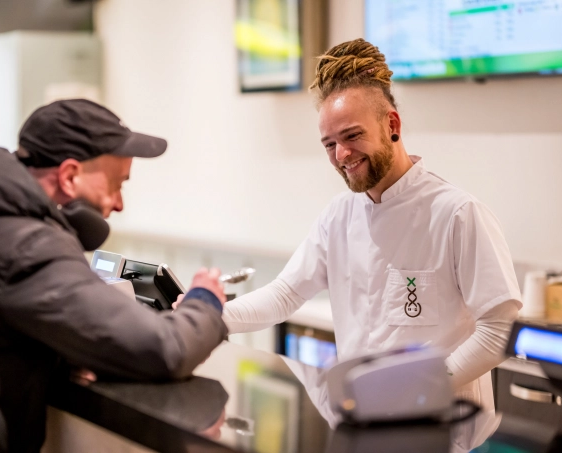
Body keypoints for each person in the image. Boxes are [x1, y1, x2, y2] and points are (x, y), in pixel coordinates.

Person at [0, 99, 228, 453]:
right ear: (70, 176)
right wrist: (205, 301)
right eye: (117, 184)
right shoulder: (27, 246)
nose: (119, 204)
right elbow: (165, 348)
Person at [221, 39, 522, 409]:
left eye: (352, 136)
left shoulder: (458, 213)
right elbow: (286, 294)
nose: (341, 155)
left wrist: (424, 387)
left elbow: (500, 328)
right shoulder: (338, 216)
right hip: (363, 419)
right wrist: (212, 316)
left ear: (391, 124)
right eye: (329, 144)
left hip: (443, 428)